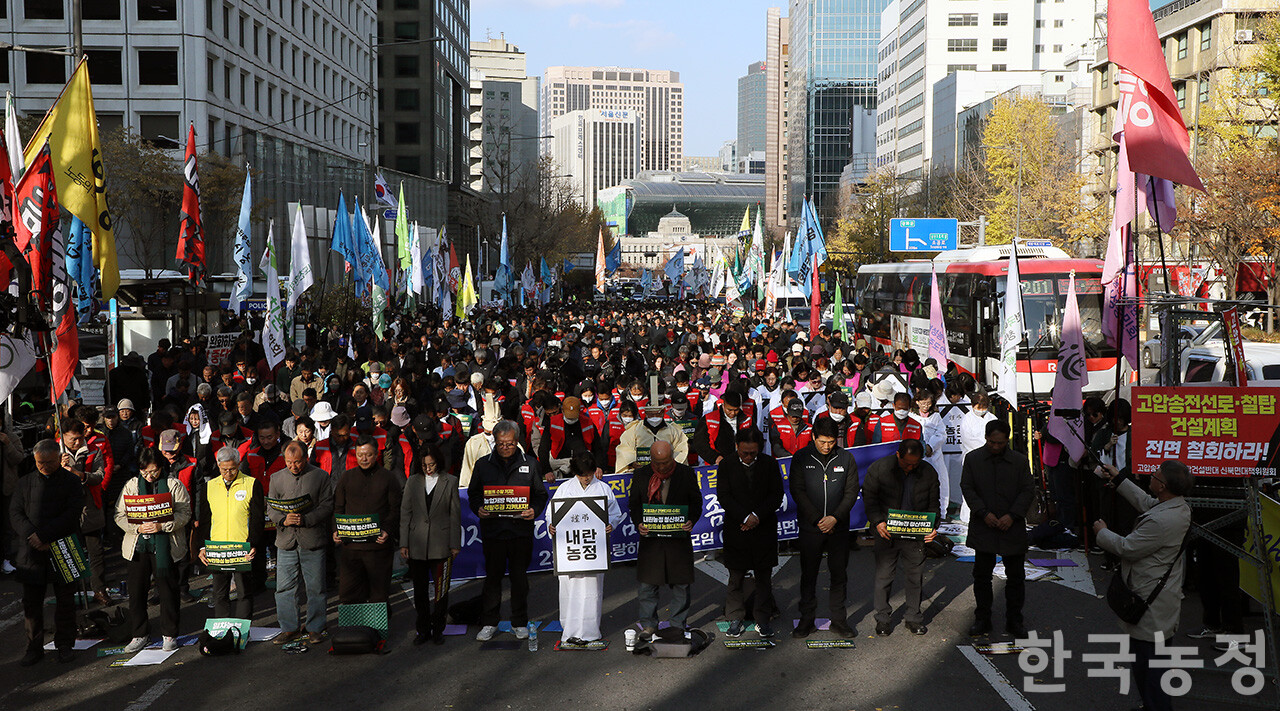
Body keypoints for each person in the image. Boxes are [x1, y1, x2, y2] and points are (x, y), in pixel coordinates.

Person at [1094, 460, 1194, 711]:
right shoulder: (1176, 507)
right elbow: (1146, 502)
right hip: (1158, 601)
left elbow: (1127, 547)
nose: (1150, 477)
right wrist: (1119, 479)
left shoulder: (1162, 521)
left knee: (1150, 669)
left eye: (1155, 476)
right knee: (1149, 665)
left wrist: (1102, 532)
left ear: (1162, 486)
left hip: (1150, 604)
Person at [468, 420, 547, 641]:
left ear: (517, 441)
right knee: (492, 579)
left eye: (510, 444)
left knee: (519, 579)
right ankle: (489, 622)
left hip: (520, 531)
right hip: (493, 531)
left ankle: (519, 621)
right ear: (495, 441)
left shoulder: (530, 463)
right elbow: (474, 494)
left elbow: (541, 495)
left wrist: (534, 510)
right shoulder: (483, 464)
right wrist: (478, 509)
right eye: (501, 443)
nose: (505, 447)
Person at [11, 440, 84, 665]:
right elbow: (15, 513)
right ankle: (34, 647)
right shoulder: (25, 482)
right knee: (31, 603)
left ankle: (64, 644)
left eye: (49, 462)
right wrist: (33, 536)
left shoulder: (72, 482)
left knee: (65, 600)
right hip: (31, 551)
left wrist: (46, 536)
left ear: (58, 458)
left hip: (63, 546)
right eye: (39, 463)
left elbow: (72, 513)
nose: (44, 466)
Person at [961, 419, 1035, 638]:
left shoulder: (1019, 461)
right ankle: (982, 618)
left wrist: (1012, 515)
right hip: (984, 524)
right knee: (982, 576)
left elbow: (1027, 490)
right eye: (992, 443)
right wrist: (983, 513)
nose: (995, 447)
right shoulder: (973, 459)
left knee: (1015, 577)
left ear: (1007, 440)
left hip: (1011, 525)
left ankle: (1014, 620)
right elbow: (967, 487)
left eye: (1000, 443)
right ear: (986, 439)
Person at [116, 447, 193, 653]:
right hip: (138, 546)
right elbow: (119, 514)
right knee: (137, 592)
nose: (149, 476)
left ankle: (169, 633)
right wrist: (137, 527)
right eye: (144, 472)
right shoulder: (131, 485)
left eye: (153, 472)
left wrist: (163, 526)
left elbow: (185, 513)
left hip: (166, 545)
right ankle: (139, 633)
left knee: (168, 591)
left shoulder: (173, 485)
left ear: (161, 467)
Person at [789, 417, 860, 638]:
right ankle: (806, 619)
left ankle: (839, 620)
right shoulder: (801, 457)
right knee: (809, 575)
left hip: (838, 528)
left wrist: (835, 518)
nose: (827, 446)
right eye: (822, 442)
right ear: (813, 437)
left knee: (839, 575)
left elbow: (851, 492)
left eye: (831, 442)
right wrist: (818, 519)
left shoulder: (846, 458)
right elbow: (797, 490)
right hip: (811, 528)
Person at [863, 438, 940, 636]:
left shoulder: (928, 472)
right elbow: (869, 498)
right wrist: (877, 521)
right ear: (898, 455)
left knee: (915, 577)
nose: (911, 467)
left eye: (915, 464)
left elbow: (934, 504)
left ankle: (913, 618)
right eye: (907, 463)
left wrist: (933, 527)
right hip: (887, 531)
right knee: (884, 576)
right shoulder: (880, 469)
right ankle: (882, 618)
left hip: (915, 533)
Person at [547, 451, 624, 645]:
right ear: (575, 473)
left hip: (592, 549)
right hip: (570, 549)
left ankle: (590, 631)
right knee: (569, 589)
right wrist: (552, 526)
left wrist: (611, 525)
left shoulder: (603, 488)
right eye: (582, 475)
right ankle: (569, 628)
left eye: (589, 474)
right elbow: (551, 514)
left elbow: (615, 513)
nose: (586, 478)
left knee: (592, 590)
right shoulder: (565, 488)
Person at [629, 439, 702, 637]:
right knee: (647, 585)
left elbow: (696, 503)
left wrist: (691, 521)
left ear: (672, 458)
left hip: (678, 539)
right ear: (651, 460)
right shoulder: (641, 475)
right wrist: (638, 522)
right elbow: (634, 504)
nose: (662, 467)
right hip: (651, 541)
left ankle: (678, 623)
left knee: (680, 584)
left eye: (666, 462)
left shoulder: (686, 473)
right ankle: (649, 624)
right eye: (658, 463)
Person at [716, 428, 784, 638]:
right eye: (744, 452)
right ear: (737, 447)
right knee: (735, 576)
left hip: (763, 528)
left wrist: (756, 516)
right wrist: (745, 517)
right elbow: (724, 496)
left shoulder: (770, 464)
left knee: (764, 576)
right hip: (737, 528)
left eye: (753, 453)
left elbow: (776, 495)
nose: (748, 457)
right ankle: (735, 617)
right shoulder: (726, 464)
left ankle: (762, 618)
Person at [269, 441, 335, 646]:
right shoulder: (276, 478)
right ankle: (289, 628)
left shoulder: (320, 476)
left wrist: (307, 519)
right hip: (286, 540)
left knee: (315, 587)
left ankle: (316, 627)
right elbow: (271, 508)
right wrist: (282, 519)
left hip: (312, 539)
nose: (293, 466)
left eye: (297, 462)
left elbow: (327, 505)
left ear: (306, 458)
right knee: (284, 588)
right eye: (289, 463)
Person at [400, 446, 462, 646]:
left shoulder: (450, 481)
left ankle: (438, 629)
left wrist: (454, 544)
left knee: (441, 591)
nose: (428, 468)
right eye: (424, 465)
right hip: (416, 544)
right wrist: (403, 543)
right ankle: (423, 629)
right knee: (419, 591)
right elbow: (405, 514)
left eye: (432, 464)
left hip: (441, 545)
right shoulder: (412, 482)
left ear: (439, 462)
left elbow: (455, 514)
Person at [333, 436, 402, 609]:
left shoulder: (388, 478)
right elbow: (338, 508)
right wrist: (335, 530)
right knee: (349, 594)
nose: (363, 459)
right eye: (360, 455)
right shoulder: (347, 478)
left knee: (378, 595)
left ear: (376, 454)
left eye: (368, 455)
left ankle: (378, 633)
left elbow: (395, 509)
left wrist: (387, 530)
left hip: (378, 548)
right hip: (351, 549)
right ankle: (353, 631)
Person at [198, 446, 265, 619]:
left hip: (242, 547)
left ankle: (242, 630)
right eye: (224, 469)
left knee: (244, 592)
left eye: (233, 469)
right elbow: (205, 520)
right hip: (217, 547)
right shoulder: (209, 487)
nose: (228, 473)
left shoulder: (252, 484)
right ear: (218, 466)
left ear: (239, 464)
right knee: (219, 594)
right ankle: (222, 630)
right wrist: (202, 547)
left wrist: (253, 543)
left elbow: (258, 518)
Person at [615, 402, 689, 472]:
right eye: (651, 414)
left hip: (668, 471)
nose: (654, 416)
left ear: (663, 412)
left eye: (657, 414)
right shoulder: (634, 429)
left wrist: (669, 462)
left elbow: (681, 449)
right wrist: (632, 462)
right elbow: (624, 448)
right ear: (646, 413)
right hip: (641, 472)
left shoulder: (674, 430)